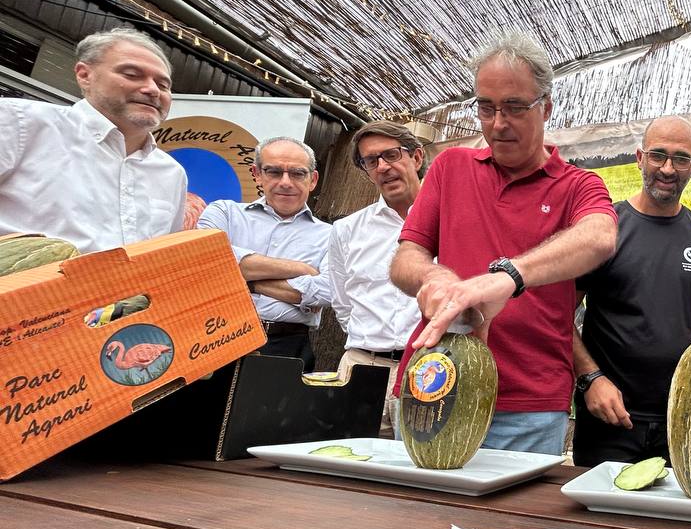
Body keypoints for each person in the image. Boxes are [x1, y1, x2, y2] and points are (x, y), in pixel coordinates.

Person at [389, 31, 617, 455]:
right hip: (433, 381)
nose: (498, 123)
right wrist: (435, 277)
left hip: (527, 405)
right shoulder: (450, 168)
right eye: (485, 107)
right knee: (415, 519)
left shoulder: (577, 185)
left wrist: (507, 277)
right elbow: (406, 256)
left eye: (514, 107)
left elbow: (600, 235)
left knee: (512, 522)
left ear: (546, 107)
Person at [572, 116, 691, 467]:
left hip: (680, 423)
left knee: (675, 522)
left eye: (680, 159)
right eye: (658, 155)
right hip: (607, 419)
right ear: (639, 157)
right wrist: (590, 379)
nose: (668, 168)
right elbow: (557, 316)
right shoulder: (605, 232)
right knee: (601, 520)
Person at [0, 25, 186, 252]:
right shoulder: (18, 122)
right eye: (131, 75)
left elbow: (162, 255)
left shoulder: (171, 173)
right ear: (84, 75)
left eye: (163, 85)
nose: (152, 90)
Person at [197, 136, 331, 371]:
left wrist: (248, 282)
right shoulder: (224, 212)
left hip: (288, 347)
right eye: (274, 172)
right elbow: (206, 262)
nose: (285, 182)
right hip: (214, 338)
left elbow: (324, 292)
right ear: (257, 174)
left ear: (313, 179)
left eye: (298, 174)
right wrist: (301, 269)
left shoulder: (332, 236)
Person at [328, 120, 427, 435]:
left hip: (429, 370)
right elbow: (342, 303)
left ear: (417, 158)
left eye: (391, 155)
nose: (383, 167)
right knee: (349, 467)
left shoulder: (452, 220)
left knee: (427, 471)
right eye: (371, 161)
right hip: (362, 368)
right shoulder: (347, 230)